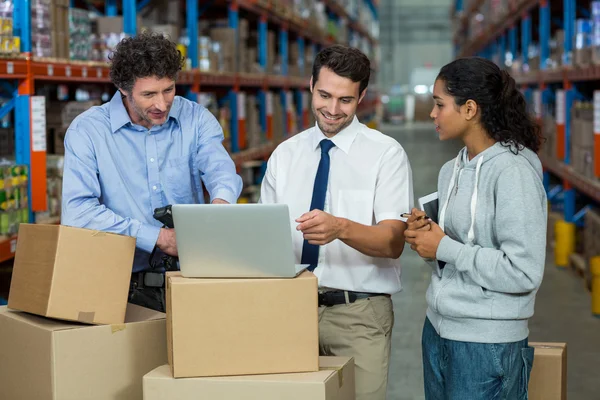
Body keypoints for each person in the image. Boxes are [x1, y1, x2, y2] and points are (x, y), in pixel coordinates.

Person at [259, 45, 413, 400]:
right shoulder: (285, 155)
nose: (332, 109)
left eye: (345, 100)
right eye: (324, 95)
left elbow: (392, 242)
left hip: (358, 313)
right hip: (291, 308)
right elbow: (266, 237)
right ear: (311, 85)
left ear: (361, 97)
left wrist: (341, 228)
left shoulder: (385, 155)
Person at [61, 33, 242, 312]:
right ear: (123, 88)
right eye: (148, 94)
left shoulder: (196, 118)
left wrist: (219, 206)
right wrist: (157, 237)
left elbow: (221, 171)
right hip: (119, 285)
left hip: (190, 277)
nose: (161, 104)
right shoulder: (88, 131)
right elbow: (78, 213)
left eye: (168, 90)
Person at [404, 57, 547, 400]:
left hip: (487, 344)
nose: (432, 114)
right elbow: (451, 257)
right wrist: (427, 242)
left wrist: (445, 248)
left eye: (440, 105)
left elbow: (524, 272)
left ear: (469, 109)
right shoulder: (450, 170)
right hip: (438, 330)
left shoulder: (513, 173)